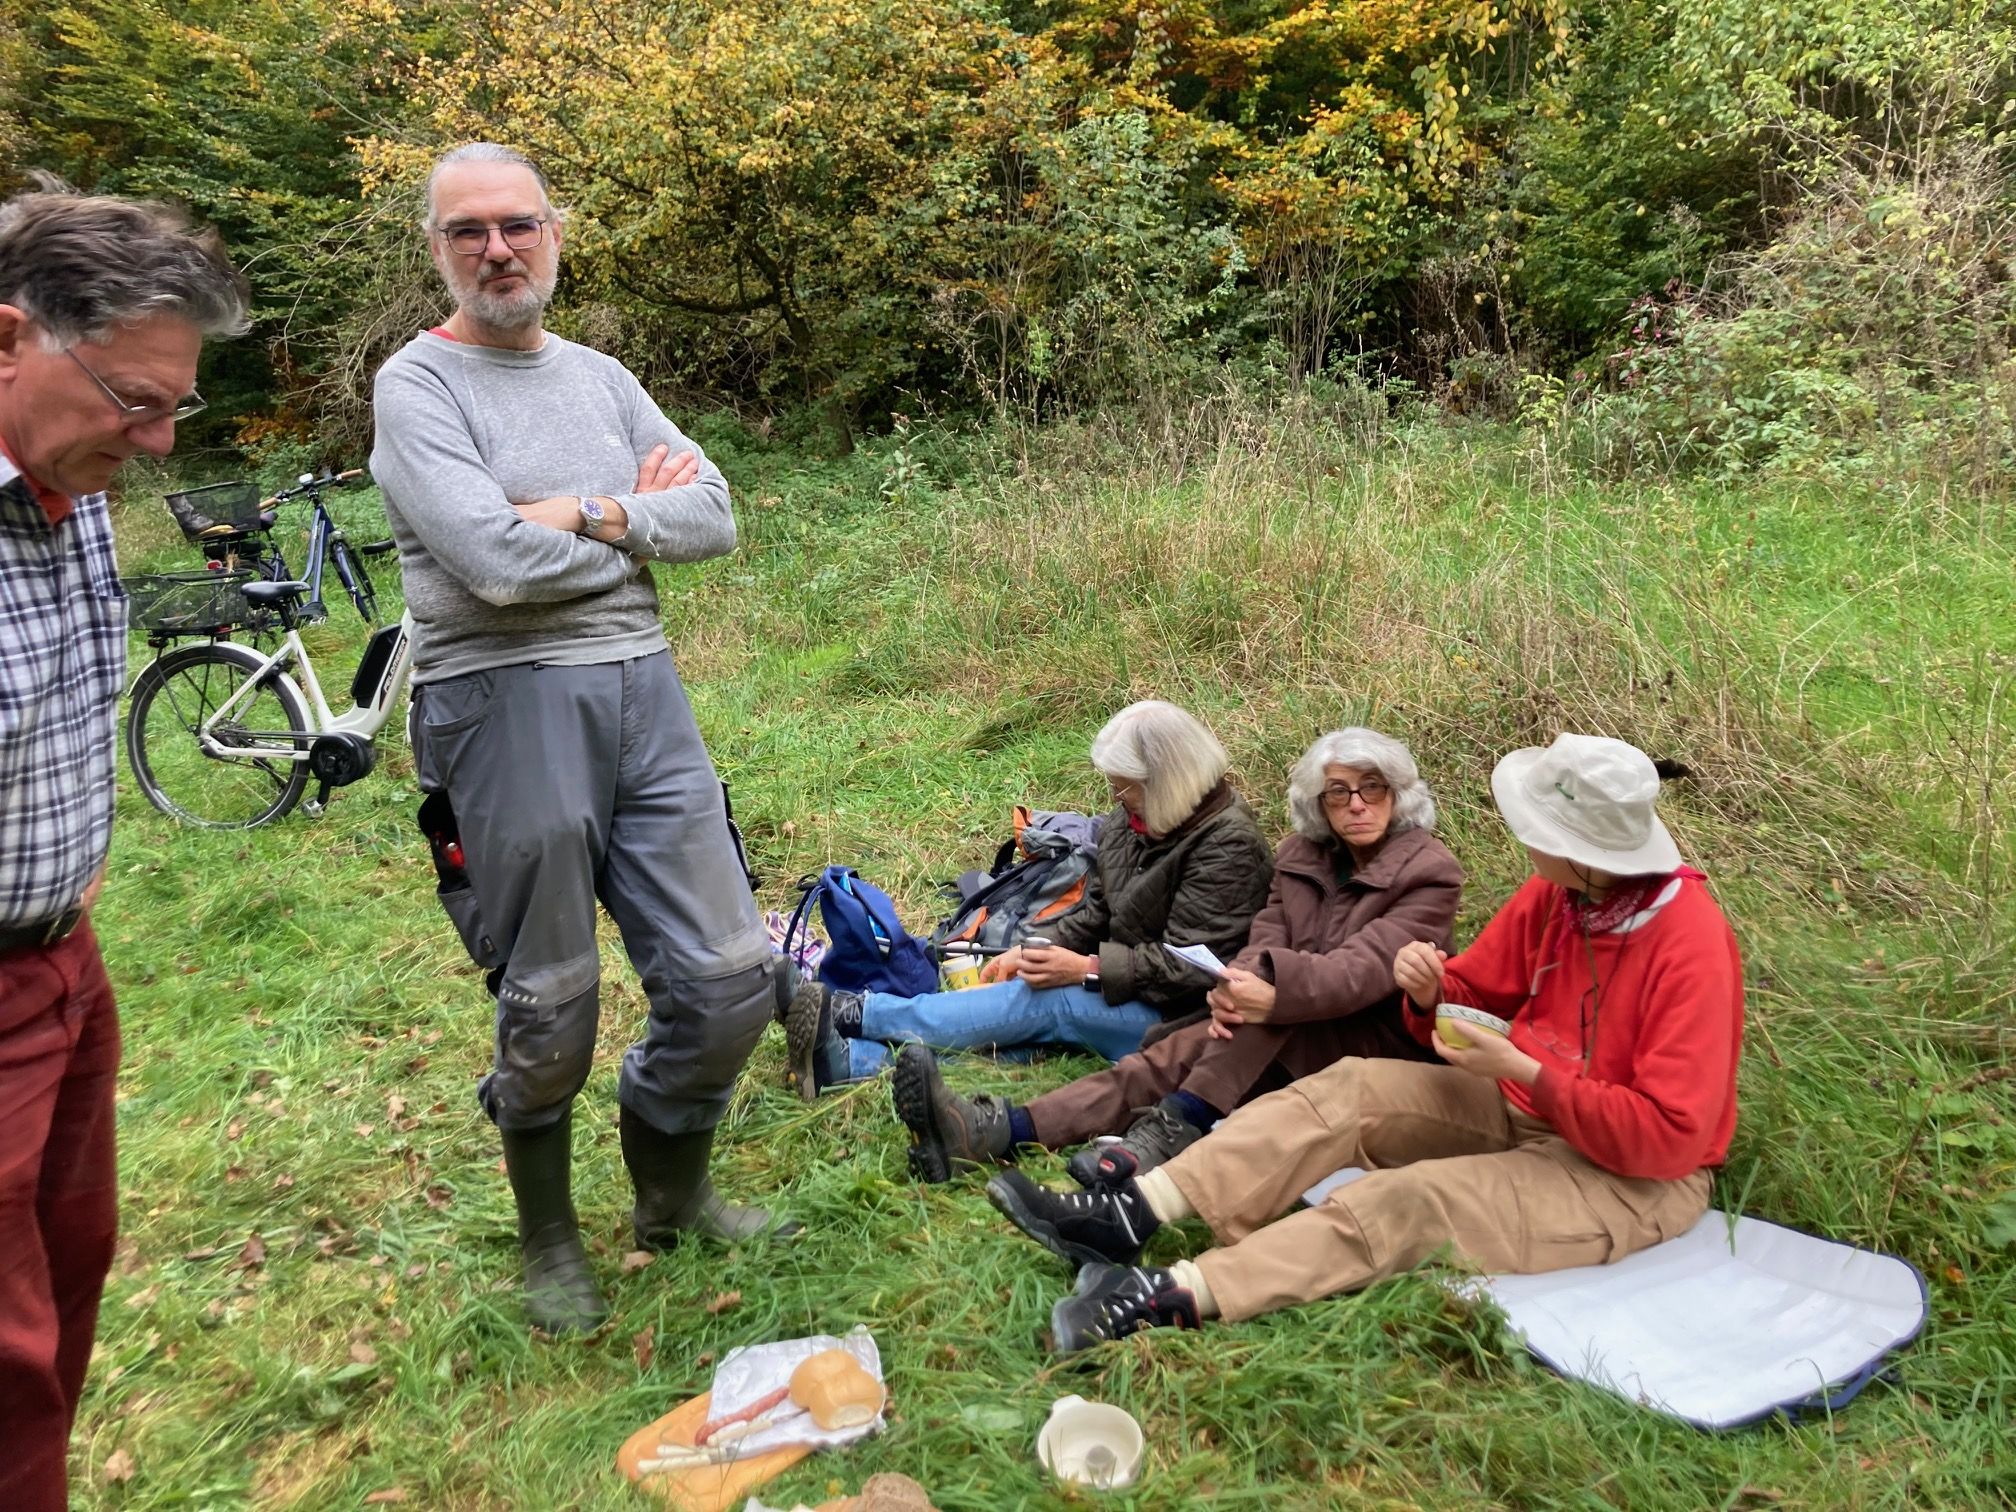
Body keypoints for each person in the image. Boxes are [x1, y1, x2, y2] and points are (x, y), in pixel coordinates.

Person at [371, 143, 788, 1337]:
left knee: (731, 979)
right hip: (499, 703)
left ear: (555, 231)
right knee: (550, 999)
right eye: (468, 232)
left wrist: (591, 509)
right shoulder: (418, 388)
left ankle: (674, 1194)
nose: (496, 249)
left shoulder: (603, 378)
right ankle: (550, 1236)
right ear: (438, 249)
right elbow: (492, 568)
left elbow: (713, 516)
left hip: (646, 693)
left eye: (517, 224)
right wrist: (629, 529)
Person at [986, 733, 1742, 1354]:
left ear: (1580, 851)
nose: (1521, 843)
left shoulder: (1690, 944)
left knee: (1412, 1200)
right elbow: (1475, 996)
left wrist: (1528, 1072)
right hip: (1522, 1099)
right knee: (1346, 1088)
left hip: (1630, 1175)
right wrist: (1431, 996)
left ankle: (1184, 1291)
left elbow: (1670, 1138)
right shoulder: (1561, 894)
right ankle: (1133, 1211)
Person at [0, 181, 248, 1511]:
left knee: (69, 1263)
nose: (155, 447)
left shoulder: (64, 473)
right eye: (133, 401)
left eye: (175, 406)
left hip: (61, 958)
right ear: (5, 342)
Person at [898, 728, 1461, 1186]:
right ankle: (1001, 1128)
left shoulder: (1428, 872)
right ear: (1319, 802)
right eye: (1339, 791)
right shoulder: (1302, 855)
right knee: (1163, 1059)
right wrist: (1240, 983)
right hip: (1280, 1015)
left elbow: (1358, 971)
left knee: (1236, 1030)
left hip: (1371, 1036)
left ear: (1399, 794)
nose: (1356, 804)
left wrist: (1263, 992)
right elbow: (1266, 934)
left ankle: (1167, 1132)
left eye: (1373, 788)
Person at [785, 702, 1273, 1168]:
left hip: (1180, 1016)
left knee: (1045, 1004)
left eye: (1126, 789)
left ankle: (855, 1010)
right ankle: (849, 1062)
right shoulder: (1138, 818)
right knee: (1024, 1034)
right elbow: (1099, 908)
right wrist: (1037, 947)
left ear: (1167, 781)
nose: (1116, 800)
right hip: (1129, 979)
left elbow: (1188, 968)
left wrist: (1084, 970)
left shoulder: (1227, 846)